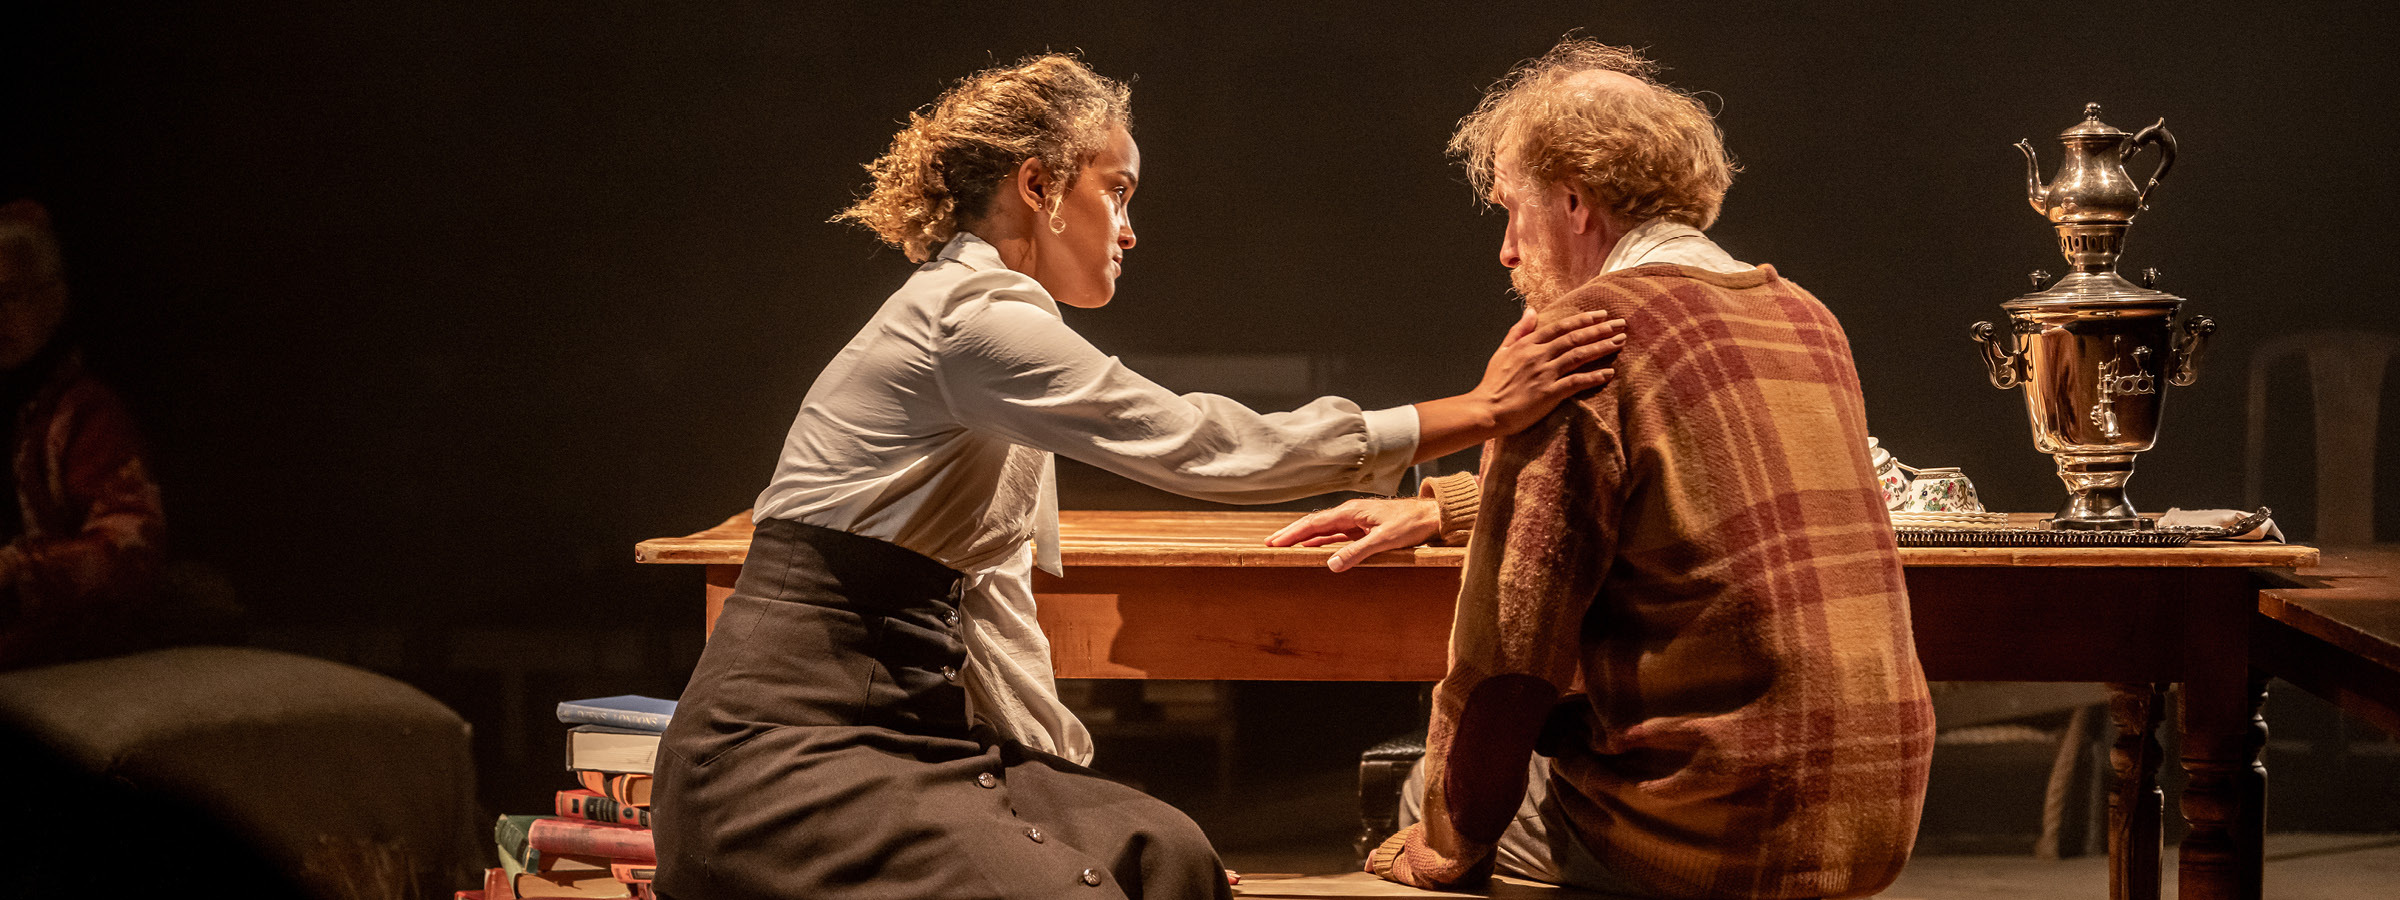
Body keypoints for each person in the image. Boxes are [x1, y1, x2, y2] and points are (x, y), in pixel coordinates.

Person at [652, 53, 1624, 900]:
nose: (1128, 229)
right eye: (1115, 192)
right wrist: (1478, 411)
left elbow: (993, 613)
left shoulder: (1000, 336)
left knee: (1168, 856)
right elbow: (1204, 445)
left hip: (909, 729)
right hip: (786, 753)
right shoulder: (971, 319)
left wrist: (1068, 801)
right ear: (1037, 186)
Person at [1269, 40, 1934, 898]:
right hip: (1875, 814)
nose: (1508, 252)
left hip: (1717, 825)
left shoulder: (1590, 335)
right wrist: (1458, 506)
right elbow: (1695, 497)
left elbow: (1508, 661)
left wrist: (1440, 845)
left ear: (1576, 203)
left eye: (1513, 212)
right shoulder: (1805, 316)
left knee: (1421, 792)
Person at [0, 198, 168, 671]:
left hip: (62, 649)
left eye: (9, 297)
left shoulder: (85, 412)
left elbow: (132, 548)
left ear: (55, 300)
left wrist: (17, 570)